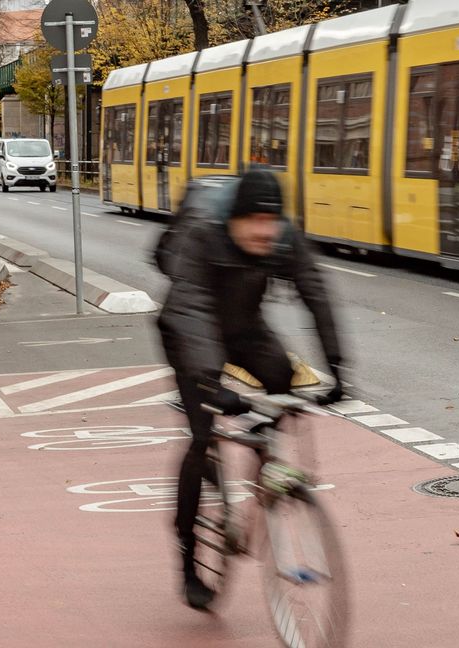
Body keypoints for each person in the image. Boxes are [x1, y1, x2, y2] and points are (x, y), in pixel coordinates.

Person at [154, 168, 347, 611]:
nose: (265, 230)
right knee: (202, 436)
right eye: (254, 221)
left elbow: (315, 291)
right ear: (234, 219)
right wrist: (209, 384)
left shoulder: (282, 236)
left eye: (272, 220)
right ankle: (188, 556)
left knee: (282, 380)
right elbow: (191, 310)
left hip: (244, 327)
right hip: (186, 332)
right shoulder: (202, 237)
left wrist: (338, 366)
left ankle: (269, 472)